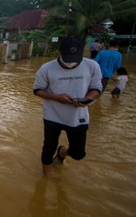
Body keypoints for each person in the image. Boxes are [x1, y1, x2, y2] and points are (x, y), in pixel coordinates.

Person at [33, 36, 103, 177]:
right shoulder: (46, 68)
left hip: (78, 116)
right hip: (53, 115)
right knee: (48, 148)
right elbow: (37, 90)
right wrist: (56, 98)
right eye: (68, 57)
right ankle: (46, 179)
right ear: (60, 52)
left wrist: (87, 100)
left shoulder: (92, 66)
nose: (70, 62)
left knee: (78, 154)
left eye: (74, 57)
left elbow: (96, 88)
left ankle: (62, 152)